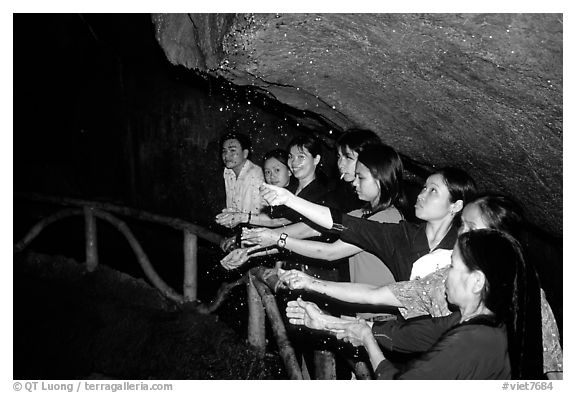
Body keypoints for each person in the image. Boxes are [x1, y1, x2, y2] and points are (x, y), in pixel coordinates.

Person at [279, 194, 562, 378]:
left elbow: (551, 374)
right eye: (461, 226)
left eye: (470, 227)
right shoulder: (451, 290)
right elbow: (383, 305)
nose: (461, 233)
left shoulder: (520, 303)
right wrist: (314, 292)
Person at [238, 167, 477, 282]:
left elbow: (329, 251)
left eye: (432, 191)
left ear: (455, 205)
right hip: (386, 327)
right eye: (423, 187)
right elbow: (339, 223)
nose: (421, 195)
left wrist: (275, 238)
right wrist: (289, 201)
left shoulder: (466, 251)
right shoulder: (400, 234)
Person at [215, 149, 295, 228]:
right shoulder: (271, 194)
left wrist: (240, 217)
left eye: (277, 170)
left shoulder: (296, 194)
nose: (272, 176)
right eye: (267, 172)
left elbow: (277, 220)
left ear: (289, 171)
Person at [218, 132, 265, 252]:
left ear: (245, 153)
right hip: (243, 234)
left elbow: (255, 217)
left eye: (232, 150)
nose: (227, 155)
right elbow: (234, 209)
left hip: (259, 237)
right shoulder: (228, 173)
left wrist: (237, 239)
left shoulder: (255, 175)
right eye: (224, 151)